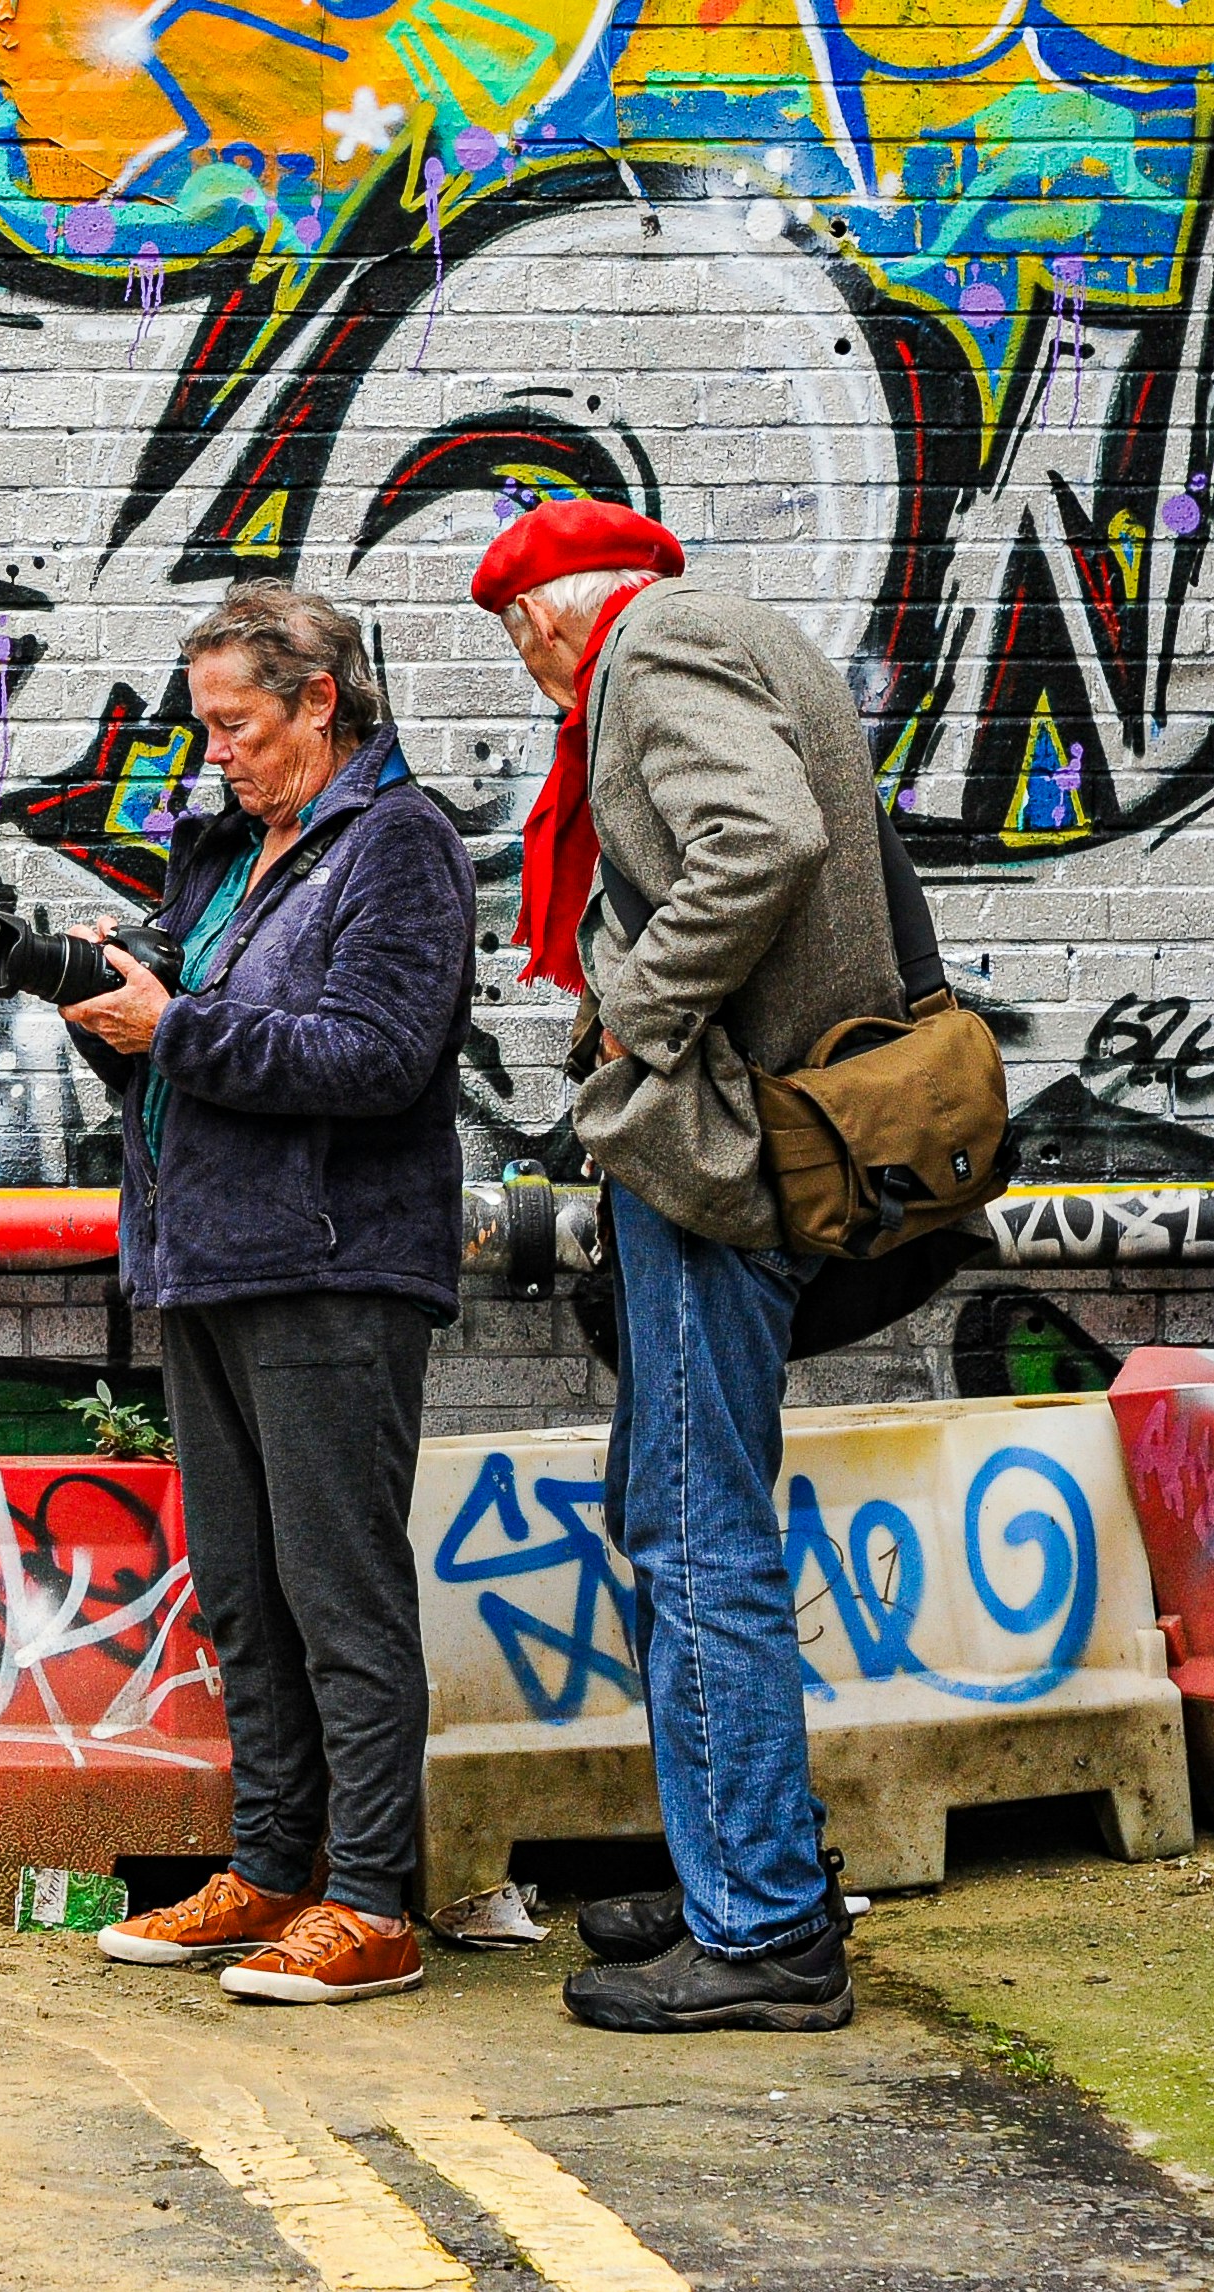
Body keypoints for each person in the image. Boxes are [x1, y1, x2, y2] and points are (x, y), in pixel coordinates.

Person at [472, 498, 881, 2034]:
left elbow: (762, 839)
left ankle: (763, 1928)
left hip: (718, 1155)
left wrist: (632, 1017)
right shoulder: (739, 634)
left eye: (518, 645)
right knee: (677, 1507)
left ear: (543, 619)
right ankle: (737, 1864)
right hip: (760, 1134)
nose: (532, 678)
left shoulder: (653, 650)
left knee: (699, 1531)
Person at [62, 578, 474, 2005]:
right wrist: (117, 1012)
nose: (214, 751)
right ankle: (272, 1868)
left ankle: (371, 1902)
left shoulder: (399, 844)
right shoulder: (232, 854)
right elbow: (186, 1047)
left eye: (236, 724)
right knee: (243, 1595)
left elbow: (378, 1058)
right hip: (207, 1258)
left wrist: (174, 1026)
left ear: (319, 704)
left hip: (332, 1268)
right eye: (205, 727)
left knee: (337, 1596)